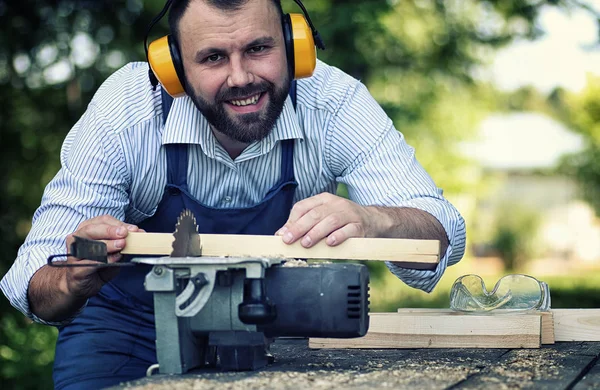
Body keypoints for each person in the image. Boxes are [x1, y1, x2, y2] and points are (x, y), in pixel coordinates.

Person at [1, 0, 466, 388]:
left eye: (259, 48)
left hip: (268, 332)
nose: (241, 77)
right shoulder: (127, 109)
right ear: (174, 69)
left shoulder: (334, 101)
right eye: (213, 58)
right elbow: (35, 281)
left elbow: (439, 235)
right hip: (127, 332)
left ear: (293, 46)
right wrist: (72, 277)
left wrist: (378, 221)